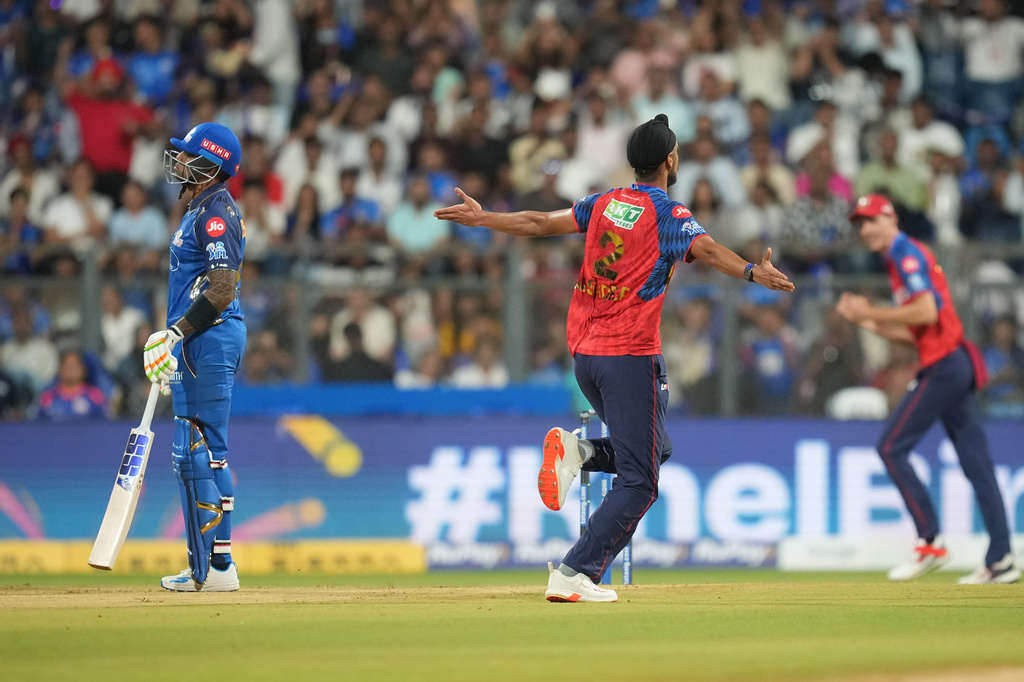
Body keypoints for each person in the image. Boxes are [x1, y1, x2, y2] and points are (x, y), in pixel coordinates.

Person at [434, 114, 795, 602]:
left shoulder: (605, 203)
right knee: (642, 481)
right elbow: (707, 251)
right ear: (670, 159)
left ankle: (578, 452)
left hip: (586, 355)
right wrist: (753, 271)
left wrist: (484, 218)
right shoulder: (668, 214)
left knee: (654, 450)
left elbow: (540, 222)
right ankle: (574, 573)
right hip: (630, 356)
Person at [836, 194, 1018, 585]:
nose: (864, 229)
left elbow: (926, 311)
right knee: (977, 465)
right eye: (860, 223)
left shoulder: (906, 254)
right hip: (953, 361)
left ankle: (930, 541)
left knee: (890, 447)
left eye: (870, 220)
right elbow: (915, 330)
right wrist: (868, 322)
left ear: (891, 217)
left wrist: (871, 311)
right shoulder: (898, 257)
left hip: (945, 367)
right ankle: (1001, 558)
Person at [144, 122, 247, 592]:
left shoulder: (214, 215)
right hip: (202, 339)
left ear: (211, 165)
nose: (180, 161)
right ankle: (220, 567)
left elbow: (223, 289)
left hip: (209, 336)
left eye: (189, 156)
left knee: (196, 452)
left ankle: (206, 572)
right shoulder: (202, 208)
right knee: (209, 454)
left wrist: (177, 333)